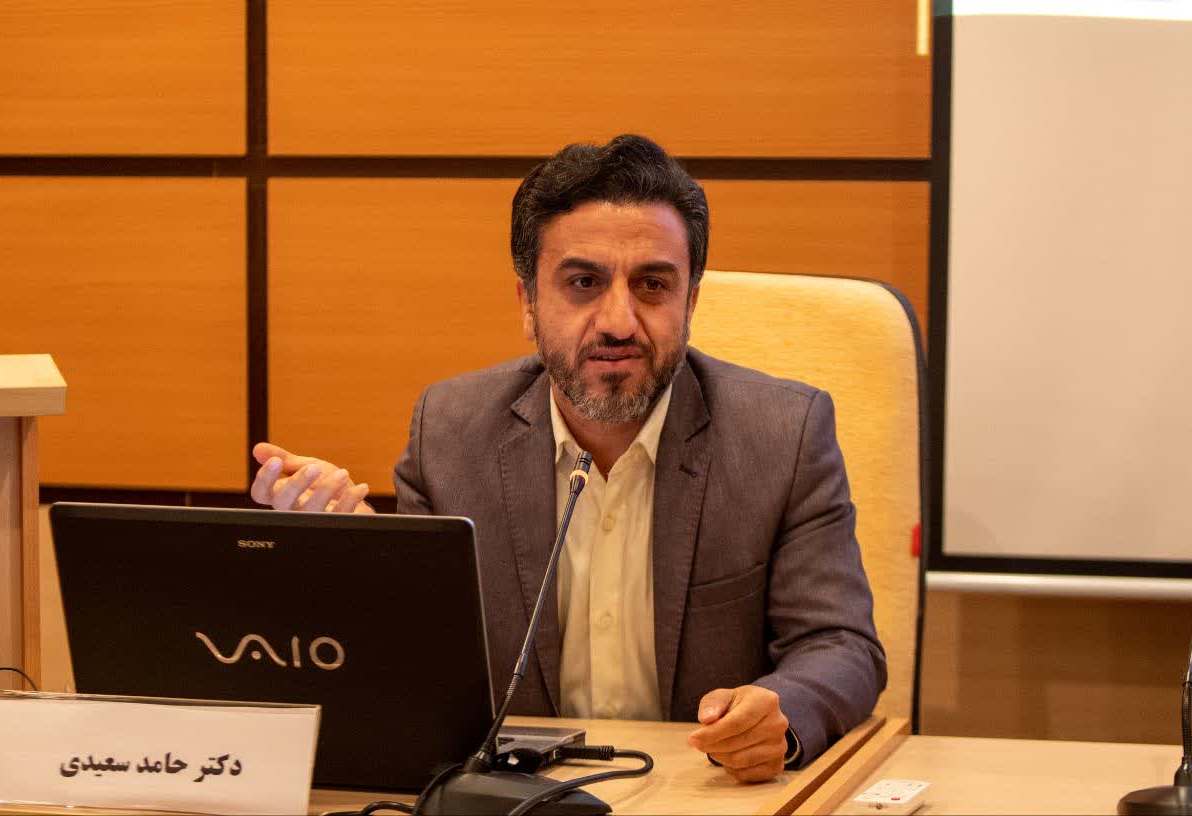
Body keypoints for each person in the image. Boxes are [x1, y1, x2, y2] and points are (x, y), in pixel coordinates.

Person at [250, 134, 886, 783]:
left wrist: (780, 714)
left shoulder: (782, 435)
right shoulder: (450, 435)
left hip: (706, 791)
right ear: (528, 303)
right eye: (583, 283)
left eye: (653, 285)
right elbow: (417, 667)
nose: (618, 321)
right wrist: (358, 560)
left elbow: (841, 645)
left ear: (691, 302)